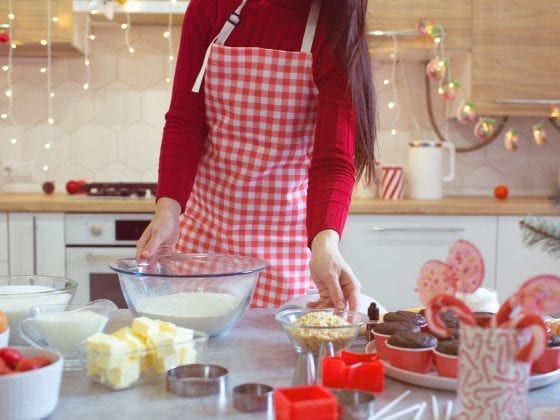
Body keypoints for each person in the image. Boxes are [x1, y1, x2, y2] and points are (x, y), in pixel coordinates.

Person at [136, 0, 377, 311]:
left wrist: (326, 243)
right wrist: (167, 211)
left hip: (286, 245)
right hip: (204, 237)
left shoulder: (335, 27)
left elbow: (332, 161)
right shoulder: (211, 8)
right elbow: (185, 121)